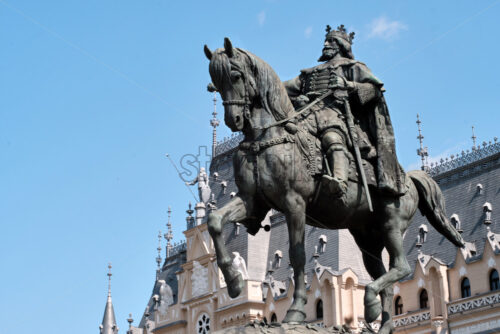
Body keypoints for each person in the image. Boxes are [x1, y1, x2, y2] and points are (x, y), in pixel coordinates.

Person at [284, 24, 405, 197]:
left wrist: (349, 85)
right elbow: (284, 89)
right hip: (306, 116)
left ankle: (339, 181)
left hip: (335, 116)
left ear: (341, 45)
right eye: (325, 41)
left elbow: (375, 90)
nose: (325, 44)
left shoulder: (352, 67)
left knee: (331, 138)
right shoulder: (310, 73)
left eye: (331, 41)